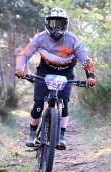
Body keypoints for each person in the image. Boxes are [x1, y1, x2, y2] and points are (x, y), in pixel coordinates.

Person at [15, 7, 95, 150]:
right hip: (44, 71)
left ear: (66, 24)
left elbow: (84, 59)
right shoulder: (40, 38)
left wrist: (90, 76)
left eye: (60, 23)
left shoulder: (72, 40)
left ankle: (62, 135)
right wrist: (19, 69)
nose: (56, 27)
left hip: (66, 73)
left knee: (63, 101)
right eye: (53, 23)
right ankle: (32, 133)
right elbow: (24, 54)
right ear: (47, 23)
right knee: (39, 101)